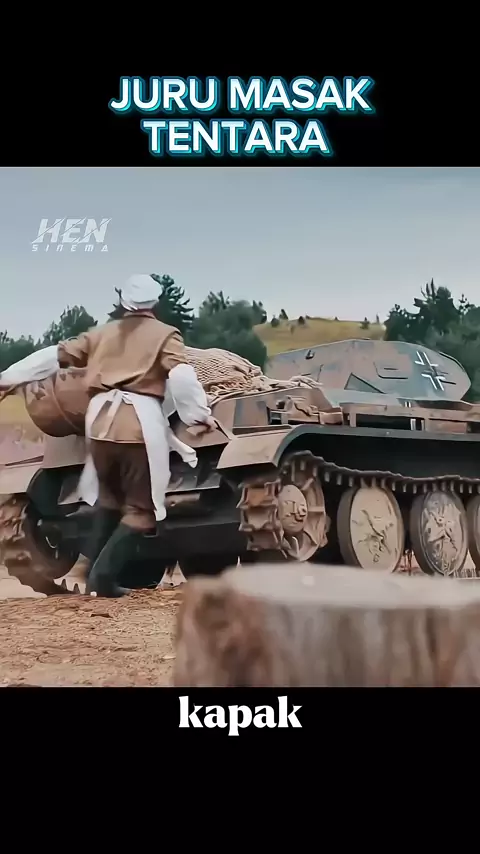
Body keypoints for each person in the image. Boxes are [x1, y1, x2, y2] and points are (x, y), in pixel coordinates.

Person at [57, 274, 216, 598]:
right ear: (155, 301)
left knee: (109, 501)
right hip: (136, 426)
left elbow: (57, 355)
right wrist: (198, 415)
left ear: (123, 301)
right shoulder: (165, 334)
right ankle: (101, 579)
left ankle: (89, 574)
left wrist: (9, 378)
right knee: (142, 512)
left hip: (98, 426)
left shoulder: (101, 333)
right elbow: (181, 375)